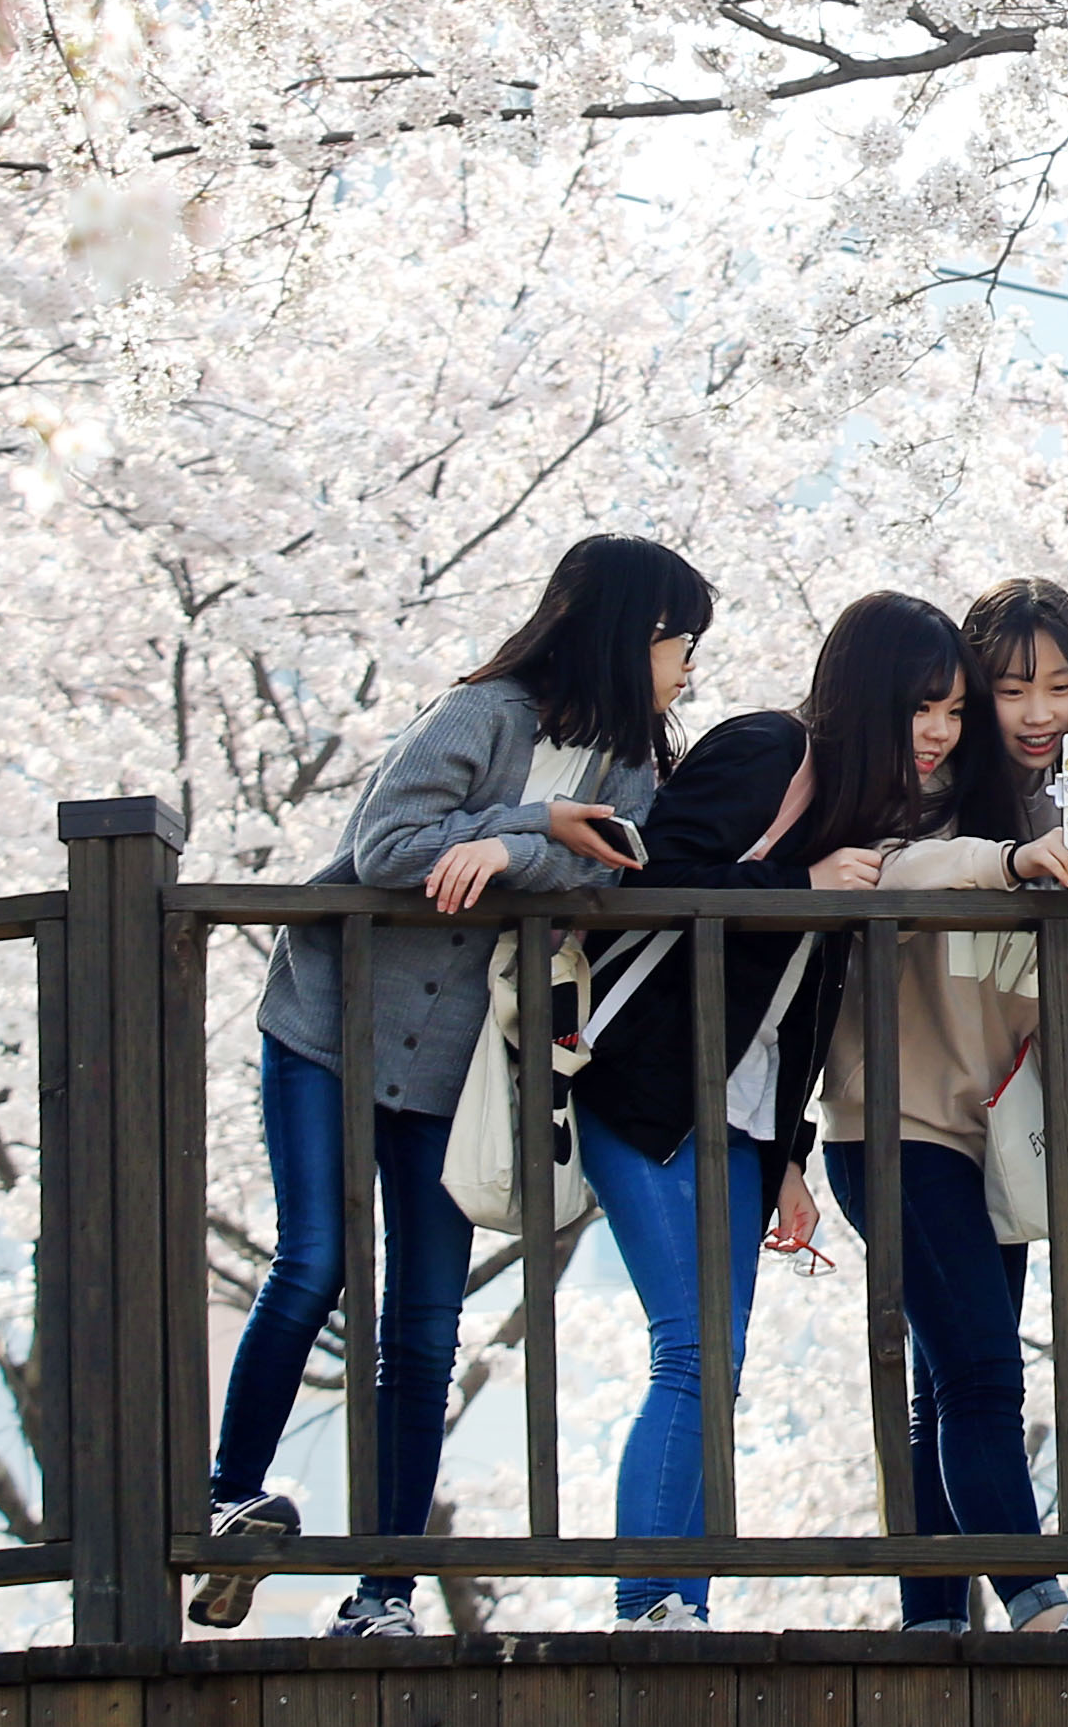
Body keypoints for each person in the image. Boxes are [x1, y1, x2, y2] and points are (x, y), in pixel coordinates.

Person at [198, 532, 696, 1637]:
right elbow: (386, 848)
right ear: (628, 634)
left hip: (453, 1068)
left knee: (425, 1323)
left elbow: (609, 864)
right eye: (679, 643)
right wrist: (527, 822)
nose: (688, 669)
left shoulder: (629, 768)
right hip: (330, 1025)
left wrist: (516, 850)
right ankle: (227, 1500)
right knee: (315, 1258)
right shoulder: (484, 714)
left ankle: (384, 1593)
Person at [560, 587, 948, 1628]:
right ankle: (649, 1606)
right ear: (867, 692)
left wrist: (789, 1155)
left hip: (740, 1119)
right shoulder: (768, 749)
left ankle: (676, 1606)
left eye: (953, 712)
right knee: (692, 1350)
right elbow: (642, 880)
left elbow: (797, 1010)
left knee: (715, 1364)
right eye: (921, 705)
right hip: (642, 1081)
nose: (939, 732)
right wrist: (797, 883)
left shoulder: (865, 817)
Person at [795, 580, 1068, 1633]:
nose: (1039, 713)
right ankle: (1037, 1602)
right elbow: (896, 869)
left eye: (1063, 687)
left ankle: (935, 1621)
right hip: (893, 1124)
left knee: (948, 1380)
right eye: (1010, 689)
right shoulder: (915, 790)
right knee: (985, 1371)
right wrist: (1009, 861)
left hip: (1003, 1130)